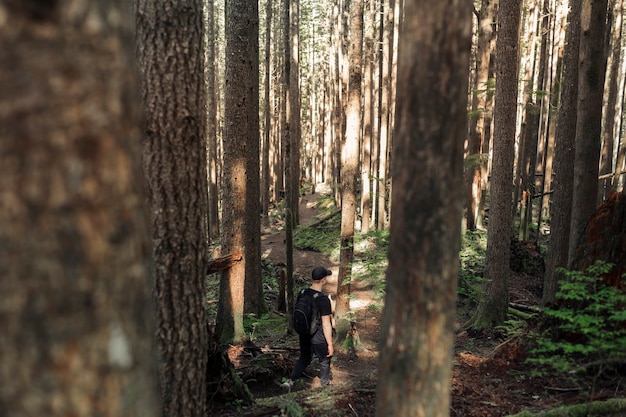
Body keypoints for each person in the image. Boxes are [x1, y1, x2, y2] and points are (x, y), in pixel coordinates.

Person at [283, 266, 334, 388]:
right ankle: (325, 384)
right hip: (318, 335)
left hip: (304, 332)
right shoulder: (323, 299)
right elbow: (326, 324)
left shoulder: (302, 292)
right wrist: (330, 344)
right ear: (323, 280)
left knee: (304, 357)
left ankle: (289, 381)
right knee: (324, 359)